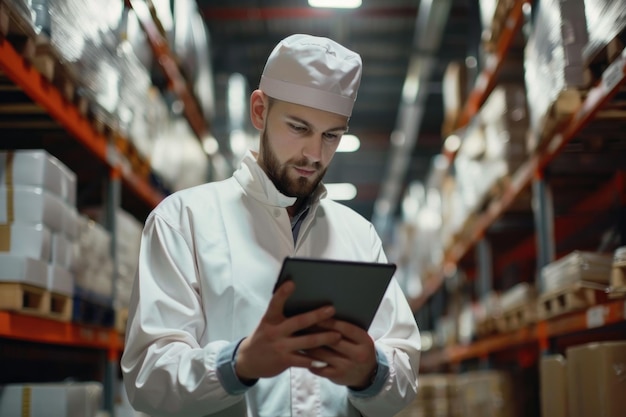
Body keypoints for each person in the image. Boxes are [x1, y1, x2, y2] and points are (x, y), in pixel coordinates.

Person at [121, 33, 421, 417]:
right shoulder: (182, 221)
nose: (314, 154)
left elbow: (405, 370)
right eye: (298, 127)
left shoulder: (358, 235)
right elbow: (147, 378)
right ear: (260, 111)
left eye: (331, 136)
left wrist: (372, 372)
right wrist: (238, 363)